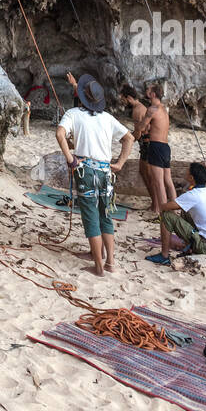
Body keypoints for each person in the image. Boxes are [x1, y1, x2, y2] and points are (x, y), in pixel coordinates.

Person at [56, 71, 134, 276]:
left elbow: (60, 133)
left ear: (80, 97)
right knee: (105, 215)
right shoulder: (107, 118)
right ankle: (110, 262)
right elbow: (129, 138)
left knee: (90, 216)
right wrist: (120, 163)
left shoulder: (73, 114)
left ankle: (98, 267)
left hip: (86, 172)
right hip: (106, 172)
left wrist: (71, 159)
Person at [146, 161, 206, 266]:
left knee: (167, 216)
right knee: (185, 210)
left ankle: (164, 256)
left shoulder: (193, 195)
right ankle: (189, 246)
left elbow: (164, 207)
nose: (185, 172)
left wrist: (157, 188)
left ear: (192, 178)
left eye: (188, 171)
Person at [138, 81, 177, 213]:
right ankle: (175, 210)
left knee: (158, 182)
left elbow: (142, 127)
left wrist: (141, 127)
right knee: (168, 181)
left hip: (156, 146)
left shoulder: (152, 109)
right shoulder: (164, 109)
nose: (146, 92)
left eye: (148, 90)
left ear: (153, 94)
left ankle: (163, 213)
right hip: (166, 147)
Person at [119, 83, 154, 209]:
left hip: (147, 144)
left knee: (147, 174)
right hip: (147, 144)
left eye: (123, 99)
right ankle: (154, 202)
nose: (122, 102)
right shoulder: (141, 107)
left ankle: (155, 203)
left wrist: (127, 138)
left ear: (128, 97)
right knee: (145, 173)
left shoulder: (137, 111)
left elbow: (138, 134)